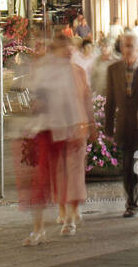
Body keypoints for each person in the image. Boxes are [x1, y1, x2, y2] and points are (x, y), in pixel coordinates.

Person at [26, 33, 97, 241]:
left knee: (72, 173)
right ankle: (58, 216)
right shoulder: (47, 70)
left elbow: (83, 100)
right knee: (55, 173)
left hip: (74, 128)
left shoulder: (77, 72)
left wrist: (89, 124)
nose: (69, 54)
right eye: (65, 50)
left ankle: (70, 218)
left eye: (70, 50)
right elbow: (36, 99)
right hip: (55, 130)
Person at [103, 32, 138, 216]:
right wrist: (108, 127)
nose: (128, 50)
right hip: (124, 126)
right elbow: (110, 101)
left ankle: (134, 202)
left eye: (132, 46)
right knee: (126, 165)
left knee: (136, 165)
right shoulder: (113, 70)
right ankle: (131, 200)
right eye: (125, 46)